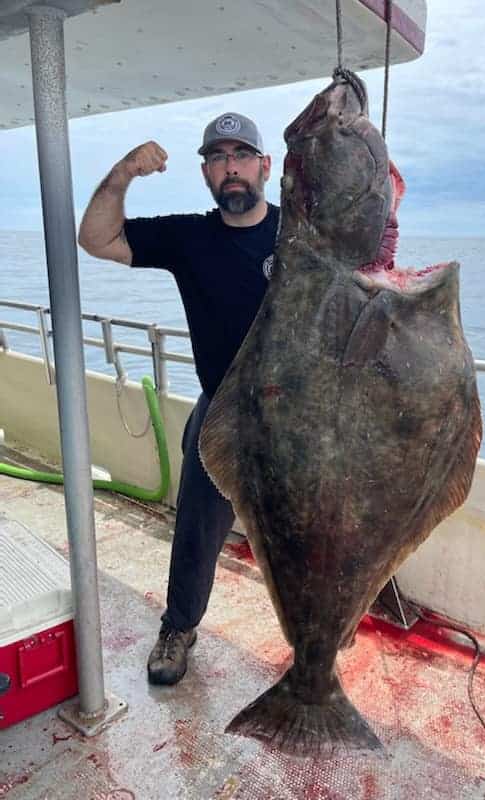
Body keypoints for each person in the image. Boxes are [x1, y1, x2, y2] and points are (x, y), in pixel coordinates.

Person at [78, 113, 279, 685]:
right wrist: (122, 174)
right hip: (221, 413)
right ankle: (179, 626)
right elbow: (96, 238)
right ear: (206, 173)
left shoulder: (299, 235)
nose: (231, 166)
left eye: (242, 155)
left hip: (296, 414)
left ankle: (318, 639)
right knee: (196, 530)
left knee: (309, 530)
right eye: (219, 158)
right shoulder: (191, 237)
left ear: (265, 167)